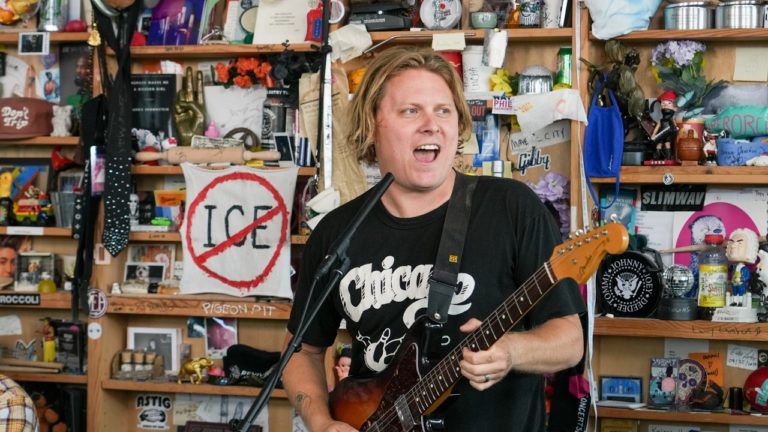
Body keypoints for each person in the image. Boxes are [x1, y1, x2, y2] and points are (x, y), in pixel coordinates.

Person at [282, 47, 585, 431]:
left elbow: (570, 338)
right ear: (372, 125)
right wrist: (321, 422)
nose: (431, 124)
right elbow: (302, 352)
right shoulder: (338, 232)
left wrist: (511, 351)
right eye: (411, 111)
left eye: (443, 111)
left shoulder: (511, 208)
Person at [650, 90, 678, 161]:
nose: (665, 105)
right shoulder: (661, 120)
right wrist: (653, 134)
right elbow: (657, 127)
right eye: (663, 103)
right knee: (658, 145)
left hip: (668, 134)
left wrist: (676, 129)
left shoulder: (671, 119)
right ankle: (657, 157)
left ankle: (668, 158)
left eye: (669, 103)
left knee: (667, 144)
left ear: (675, 108)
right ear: (660, 107)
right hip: (660, 133)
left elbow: (675, 126)